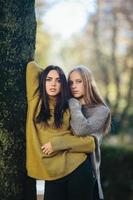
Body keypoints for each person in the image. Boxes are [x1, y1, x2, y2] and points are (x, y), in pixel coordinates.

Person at [26, 61, 96, 200]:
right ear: (42, 81)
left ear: (63, 84)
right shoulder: (35, 100)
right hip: (52, 174)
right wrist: (51, 71)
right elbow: (31, 67)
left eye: (58, 81)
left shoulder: (69, 106)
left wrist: (57, 144)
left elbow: (90, 143)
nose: (53, 84)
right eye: (48, 79)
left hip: (77, 169)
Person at [68, 65, 111, 200]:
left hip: (84, 171)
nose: (73, 86)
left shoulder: (102, 111)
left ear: (87, 82)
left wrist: (74, 104)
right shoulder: (67, 106)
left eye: (78, 81)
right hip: (62, 168)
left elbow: (81, 129)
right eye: (70, 82)